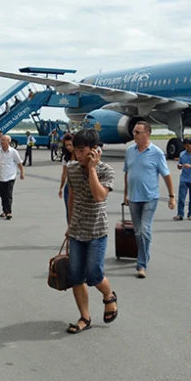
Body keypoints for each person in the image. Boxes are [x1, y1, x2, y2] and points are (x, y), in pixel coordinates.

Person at [65, 129, 118, 334]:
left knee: (94, 274)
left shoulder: (106, 171)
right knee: (76, 276)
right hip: (77, 230)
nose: (77, 155)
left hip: (97, 230)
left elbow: (99, 196)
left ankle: (109, 296)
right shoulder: (72, 169)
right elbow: (72, 197)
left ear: (94, 150)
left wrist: (93, 169)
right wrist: (69, 224)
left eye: (81, 151)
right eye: (75, 151)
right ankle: (84, 317)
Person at [123, 121, 175, 279]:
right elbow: (127, 173)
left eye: (138, 132)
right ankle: (144, 255)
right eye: (134, 132)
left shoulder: (157, 153)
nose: (135, 135)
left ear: (147, 134)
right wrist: (125, 193)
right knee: (138, 232)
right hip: (133, 197)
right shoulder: (129, 151)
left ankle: (141, 264)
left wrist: (172, 196)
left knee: (144, 229)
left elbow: (166, 175)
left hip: (150, 197)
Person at [0, 135, 25, 220]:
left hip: (10, 176)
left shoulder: (13, 152)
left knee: (8, 194)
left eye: (4, 140)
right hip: (1, 176)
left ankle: (9, 212)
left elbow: (19, 163)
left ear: (8, 142)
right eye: (1, 140)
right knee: (3, 195)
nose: (2, 142)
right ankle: (4, 210)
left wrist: (22, 173)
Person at [174, 137, 191, 221]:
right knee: (181, 197)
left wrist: (190, 166)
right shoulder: (182, 154)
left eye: (188, 145)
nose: (187, 147)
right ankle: (180, 214)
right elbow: (180, 164)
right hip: (184, 178)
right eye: (185, 146)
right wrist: (180, 166)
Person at [58, 134, 76, 222]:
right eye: (66, 145)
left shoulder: (80, 156)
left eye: (70, 145)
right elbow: (64, 174)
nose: (68, 147)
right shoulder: (66, 158)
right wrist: (61, 188)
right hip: (68, 186)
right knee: (69, 212)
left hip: (78, 187)